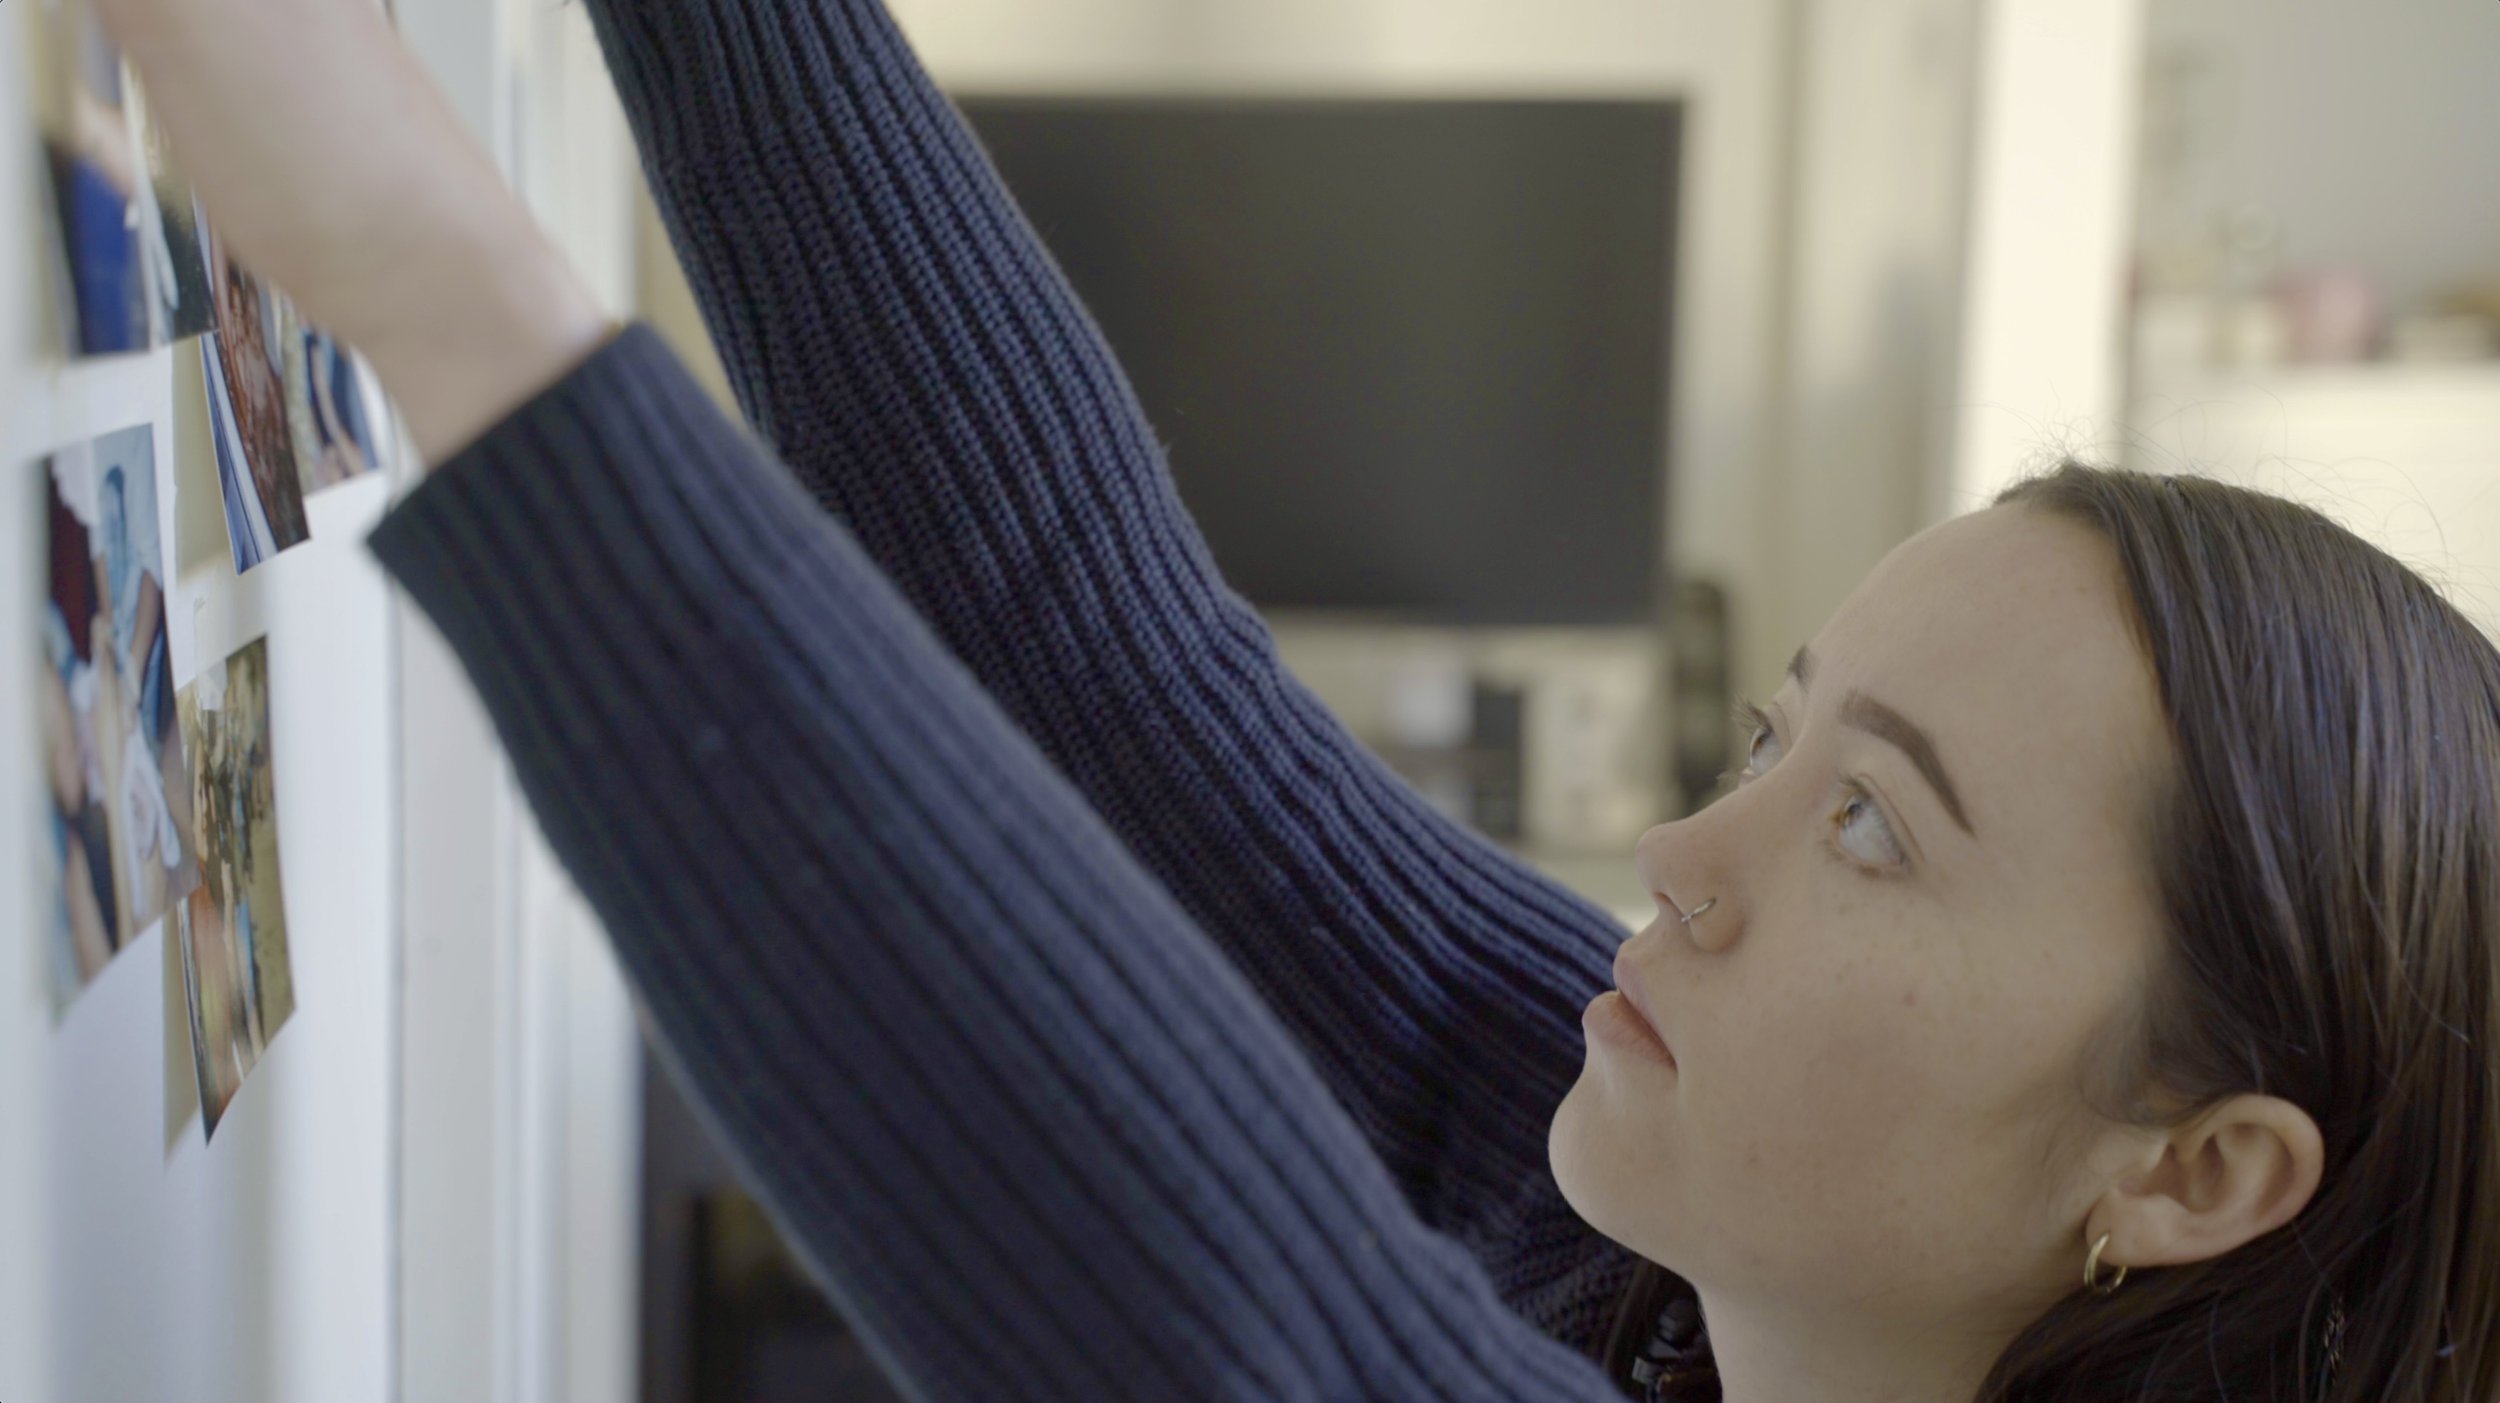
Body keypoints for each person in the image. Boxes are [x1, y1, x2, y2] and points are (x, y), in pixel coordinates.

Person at [93, 0, 2500, 1398]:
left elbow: (1230, 1320)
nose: (1678, 857)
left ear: (2189, 1174)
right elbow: (1099, 656)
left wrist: (432, 270)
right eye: (1775, 739)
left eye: (1867, 822)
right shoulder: (1669, 1241)